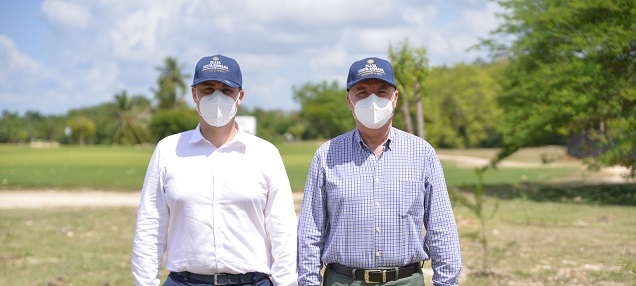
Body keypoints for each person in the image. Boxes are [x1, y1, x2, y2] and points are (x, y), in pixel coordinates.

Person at [132, 54, 298, 286]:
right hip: (185, 281)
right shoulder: (168, 150)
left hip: (251, 281)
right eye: (208, 89)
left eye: (226, 91)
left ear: (240, 96)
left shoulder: (265, 153)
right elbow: (150, 225)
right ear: (194, 94)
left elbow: (284, 231)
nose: (216, 97)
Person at [297, 57, 462, 286]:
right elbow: (310, 232)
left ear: (394, 98)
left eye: (381, 92)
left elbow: (441, 228)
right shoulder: (326, 155)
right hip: (343, 280)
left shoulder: (422, 153)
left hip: (405, 279)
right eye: (362, 93)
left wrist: (447, 282)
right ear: (349, 100)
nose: (372, 101)